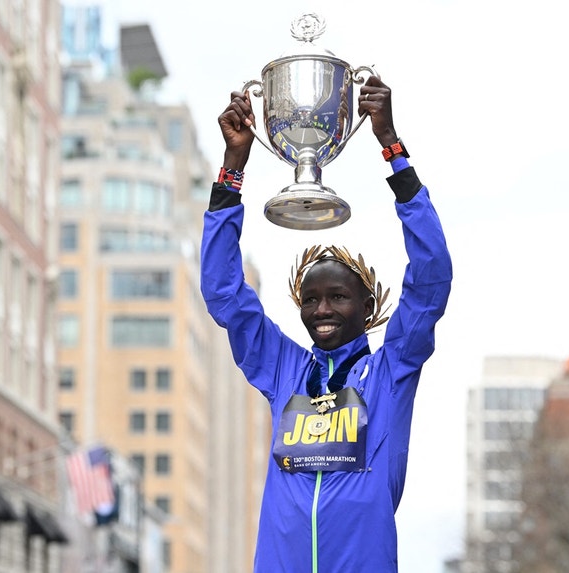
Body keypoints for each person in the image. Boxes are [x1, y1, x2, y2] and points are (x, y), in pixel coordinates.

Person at [200, 75, 453, 572]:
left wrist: (392, 148)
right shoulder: (283, 372)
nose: (321, 311)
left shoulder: (391, 371)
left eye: (338, 297)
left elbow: (431, 279)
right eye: (311, 299)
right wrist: (232, 168)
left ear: (367, 304)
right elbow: (224, 293)